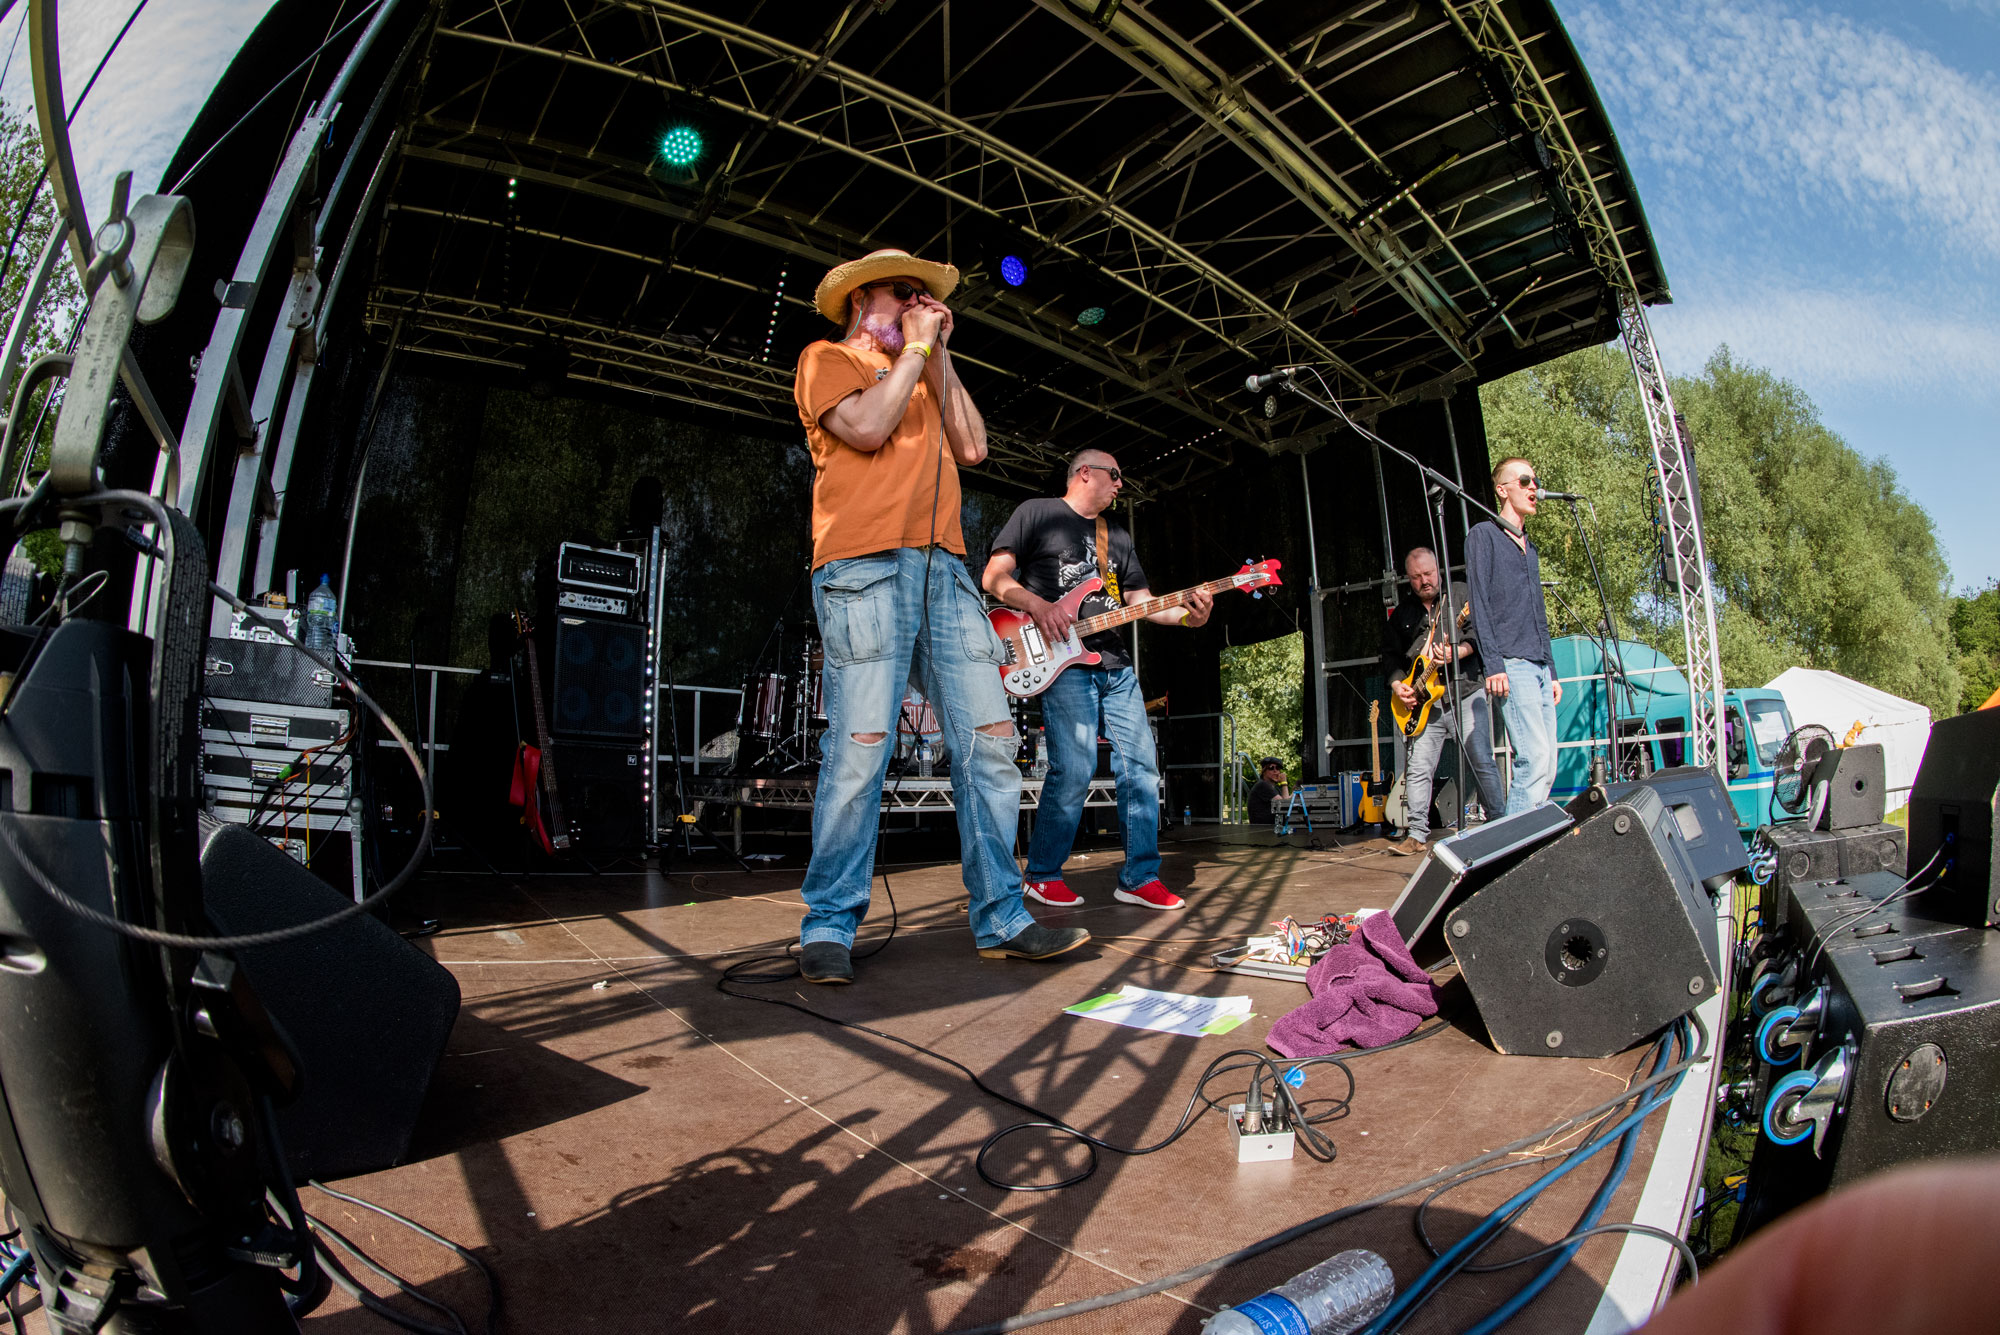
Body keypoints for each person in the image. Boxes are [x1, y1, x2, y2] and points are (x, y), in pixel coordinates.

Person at [791, 248, 1089, 984]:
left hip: (945, 571)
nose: (920, 304)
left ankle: (1003, 916)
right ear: (862, 300)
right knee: (861, 746)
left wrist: (939, 353)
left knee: (991, 739)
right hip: (863, 566)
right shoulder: (826, 358)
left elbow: (975, 447)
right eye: (905, 293)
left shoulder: (925, 370)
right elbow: (865, 428)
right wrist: (917, 351)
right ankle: (828, 924)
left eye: (926, 296)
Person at [981, 450, 1212, 910]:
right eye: (1116, 475)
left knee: (1142, 768)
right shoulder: (1037, 513)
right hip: (1061, 663)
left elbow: (1143, 602)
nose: (1121, 484)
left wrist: (1190, 617)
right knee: (1075, 768)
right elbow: (994, 577)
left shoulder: (1116, 535)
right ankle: (1042, 875)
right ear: (1085, 473)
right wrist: (1038, 605)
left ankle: (1140, 877)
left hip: (1115, 664)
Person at [1381, 547, 1503, 854]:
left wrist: (1458, 652)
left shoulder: (1461, 594)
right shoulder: (1402, 613)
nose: (1424, 581)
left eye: (1428, 573)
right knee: (1418, 768)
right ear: (1408, 579)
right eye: (1416, 577)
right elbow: (1390, 656)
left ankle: (1500, 823)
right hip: (1424, 704)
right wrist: (1398, 685)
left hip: (1464, 690)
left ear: (1438, 569)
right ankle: (1416, 834)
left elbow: (1482, 634)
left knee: (1480, 759)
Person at [1465, 458, 1562, 815]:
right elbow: (1479, 604)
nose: (1533, 486)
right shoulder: (1483, 535)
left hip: (1539, 665)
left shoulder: (1529, 548)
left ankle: (1531, 835)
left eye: (1535, 480)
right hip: (1512, 663)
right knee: (1533, 758)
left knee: (1548, 763)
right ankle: (1515, 844)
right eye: (1524, 480)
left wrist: (1552, 670)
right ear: (1502, 490)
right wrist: (1494, 664)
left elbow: (1538, 614)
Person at [1247, 757, 1290, 827]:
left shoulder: (1275, 788)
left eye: (1278, 768)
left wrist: (1296, 792)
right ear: (1264, 771)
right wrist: (1284, 783)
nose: (1275, 771)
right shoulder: (1263, 785)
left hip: (1271, 828)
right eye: (1271, 768)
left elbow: (1286, 800)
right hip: (1262, 829)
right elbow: (1285, 805)